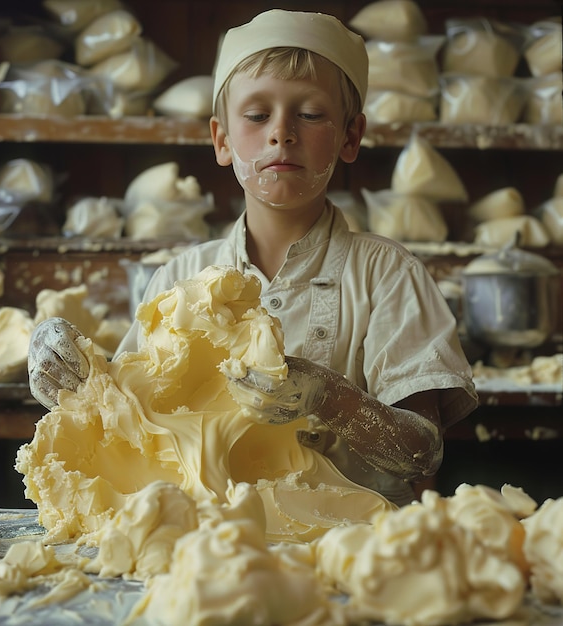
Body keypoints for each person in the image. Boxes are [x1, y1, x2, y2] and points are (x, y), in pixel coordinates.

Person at [29, 9, 478, 506]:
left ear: (350, 136)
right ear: (222, 139)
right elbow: (124, 420)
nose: (281, 133)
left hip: (350, 549)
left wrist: (326, 397)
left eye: (310, 114)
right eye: (257, 115)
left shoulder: (387, 274)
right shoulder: (180, 278)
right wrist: (68, 378)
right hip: (216, 545)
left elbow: (420, 452)